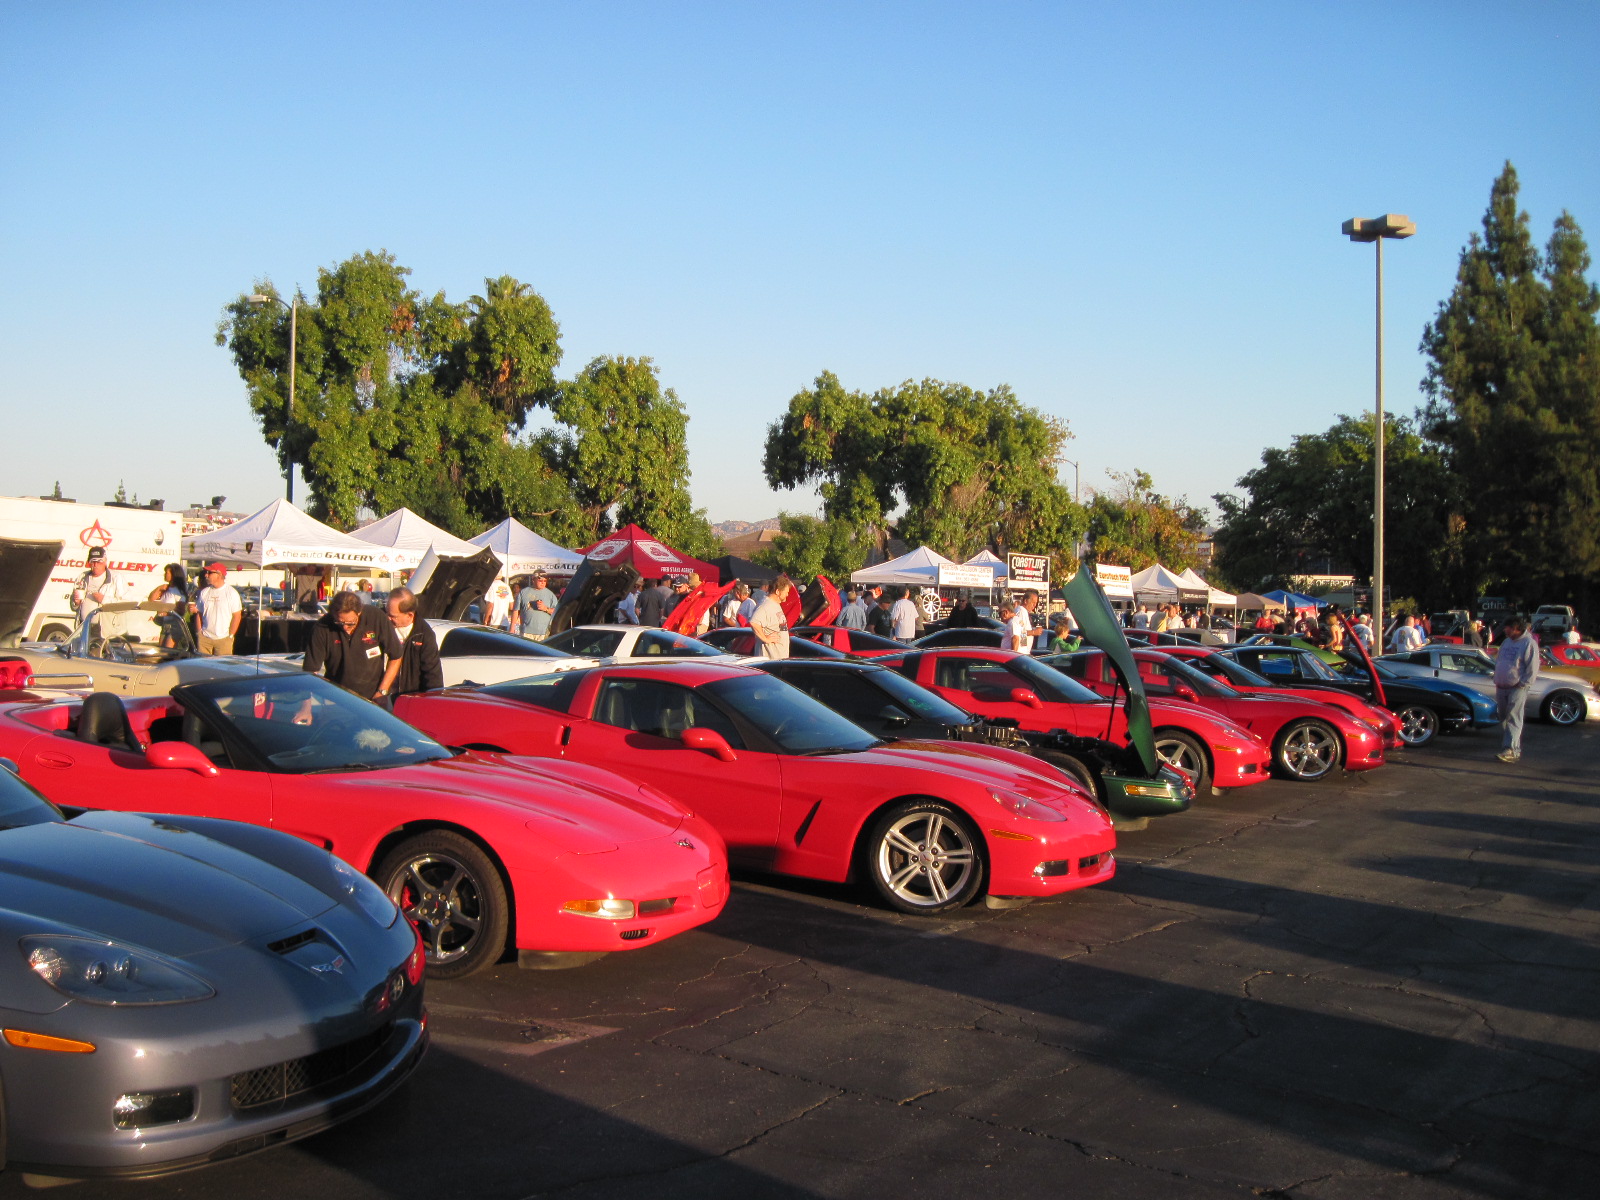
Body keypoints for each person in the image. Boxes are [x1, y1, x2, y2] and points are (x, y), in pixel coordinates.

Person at [301, 590, 402, 706]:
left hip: (372, 698)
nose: (345, 627)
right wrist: (305, 707)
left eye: (350, 623)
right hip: (335, 698)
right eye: (339, 622)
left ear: (359, 613)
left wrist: (382, 692)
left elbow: (396, 656)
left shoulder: (376, 617)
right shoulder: (322, 627)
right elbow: (310, 671)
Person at [1493, 617, 1540, 763]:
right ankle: (1511, 746)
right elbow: (1500, 660)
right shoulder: (1506, 642)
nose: (1505, 631)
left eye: (1508, 628)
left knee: (1514, 717)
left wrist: (1524, 683)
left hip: (1517, 687)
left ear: (1516, 628)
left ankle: (1511, 749)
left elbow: (1532, 666)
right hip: (1501, 686)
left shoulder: (1528, 643)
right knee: (1503, 716)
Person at [386, 587, 444, 698]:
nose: (387, 618)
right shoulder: (380, 625)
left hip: (407, 699)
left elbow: (433, 676)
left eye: (393, 616)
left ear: (410, 615)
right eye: (386, 613)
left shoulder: (424, 635)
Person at [193, 563, 243, 655]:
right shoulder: (204, 592)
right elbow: (199, 613)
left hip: (223, 639)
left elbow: (237, 616)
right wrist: (199, 633)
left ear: (219, 574)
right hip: (205, 639)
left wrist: (230, 635)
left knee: (222, 668)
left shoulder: (231, 593)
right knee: (202, 666)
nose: (206, 575)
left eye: (209, 573)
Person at [71, 546, 122, 622]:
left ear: (105, 562)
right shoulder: (82, 577)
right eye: (93, 562)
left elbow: (126, 604)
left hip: (106, 628)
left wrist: (104, 599)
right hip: (84, 626)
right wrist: (76, 603)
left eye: (99, 562)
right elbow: (73, 606)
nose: (95, 565)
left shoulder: (115, 577)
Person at [750, 574, 793, 659]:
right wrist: (766, 639)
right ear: (777, 591)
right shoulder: (766, 605)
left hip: (778, 659)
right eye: (786, 592)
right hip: (769, 661)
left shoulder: (774, 604)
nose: (787, 595)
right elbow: (754, 622)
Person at [513, 572, 558, 640]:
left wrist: (545, 608)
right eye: (540, 580)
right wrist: (512, 627)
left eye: (545, 581)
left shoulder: (551, 595)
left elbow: (557, 613)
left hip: (543, 633)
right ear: (533, 580)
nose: (543, 582)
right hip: (526, 632)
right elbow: (516, 610)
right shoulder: (523, 592)